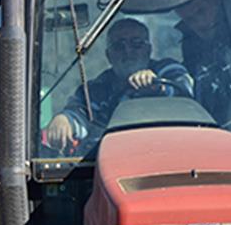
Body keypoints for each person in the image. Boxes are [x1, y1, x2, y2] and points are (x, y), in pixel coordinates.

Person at [45, 17, 192, 151]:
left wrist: (157, 86)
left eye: (136, 44)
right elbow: (79, 114)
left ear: (148, 50)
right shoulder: (97, 90)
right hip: (119, 157)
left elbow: (186, 90)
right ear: (109, 56)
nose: (128, 51)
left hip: (174, 152)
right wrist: (64, 120)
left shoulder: (167, 70)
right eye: (118, 46)